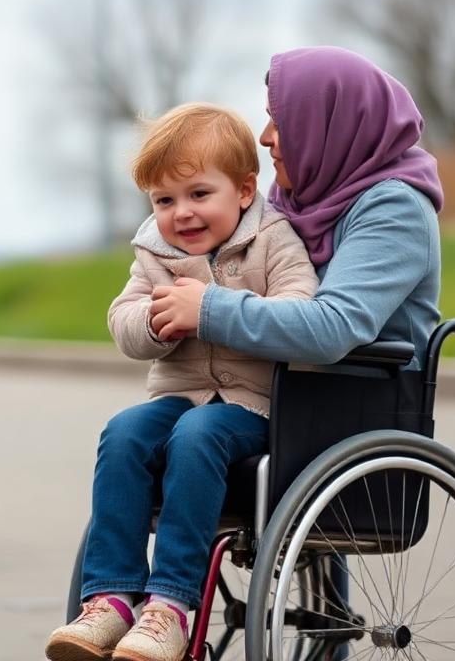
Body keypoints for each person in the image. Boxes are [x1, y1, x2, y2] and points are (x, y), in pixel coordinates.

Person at [147, 48, 444, 661]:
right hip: (285, 397)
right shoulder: (295, 202)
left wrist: (207, 309)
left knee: (209, 432)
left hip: (355, 405)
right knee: (142, 434)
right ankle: (128, 606)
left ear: (331, 123)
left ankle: (177, 606)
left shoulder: (393, 207)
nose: (265, 136)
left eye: (280, 120)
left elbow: (334, 326)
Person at [45, 103, 319, 661]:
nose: (182, 214)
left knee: (199, 434)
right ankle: (111, 597)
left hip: (252, 406)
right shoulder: (155, 251)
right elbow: (122, 321)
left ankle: (168, 606)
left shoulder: (274, 239)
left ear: (244, 191)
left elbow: (301, 307)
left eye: (199, 194)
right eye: (164, 201)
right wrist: (152, 322)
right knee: (124, 432)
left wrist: (219, 309)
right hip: (178, 395)